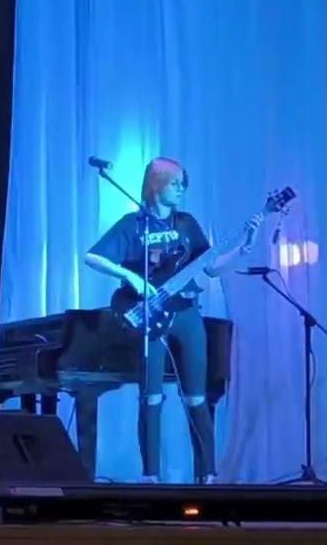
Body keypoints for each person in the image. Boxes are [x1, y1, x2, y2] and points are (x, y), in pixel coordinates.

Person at [84, 157, 260, 483]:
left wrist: (244, 249)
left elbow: (211, 267)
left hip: (186, 314)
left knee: (197, 397)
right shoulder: (134, 224)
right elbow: (92, 257)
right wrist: (131, 277)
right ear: (156, 185)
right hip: (149, 316)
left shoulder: (186, 224)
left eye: (183, 183)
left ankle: (207, 476)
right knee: (151, 397)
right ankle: (150, 476)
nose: (181, 189)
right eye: (175, 183)